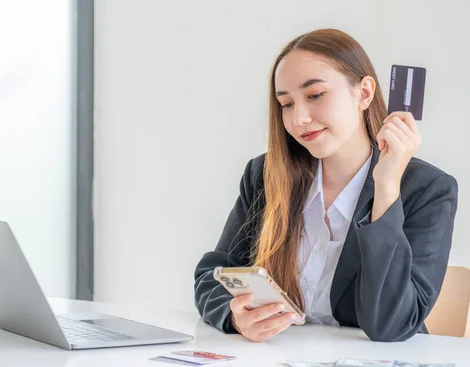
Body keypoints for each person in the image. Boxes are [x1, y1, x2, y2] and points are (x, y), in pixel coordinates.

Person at [193, 28, 458, 343]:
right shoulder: (266, 174)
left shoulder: (428, 190)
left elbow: (391, 325)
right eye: (286, 104)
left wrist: (386, 190)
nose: (299, 118)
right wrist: (235, 316)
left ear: (364, 93)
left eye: (315, 95)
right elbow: (213, 276)